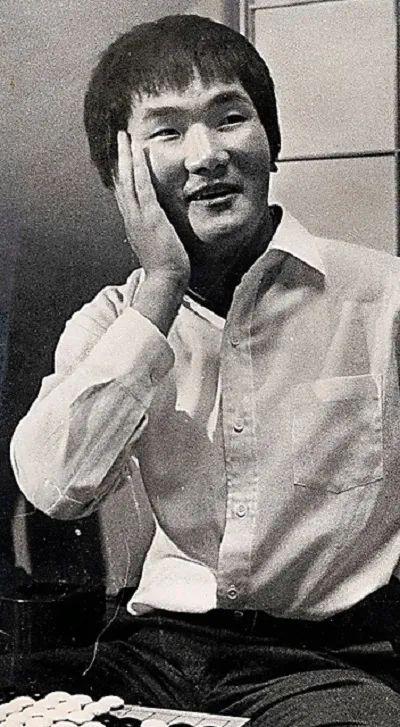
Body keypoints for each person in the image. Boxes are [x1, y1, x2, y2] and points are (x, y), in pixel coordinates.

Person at [7, 13, 400, 726]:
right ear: (121, 172)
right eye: (166, 131)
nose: (207, 154)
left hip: (323, 664)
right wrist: (161, 286)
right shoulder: (112, 322)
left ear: (271, 141)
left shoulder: (385, 298)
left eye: (230, 118)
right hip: (153, 653)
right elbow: (56, 488)